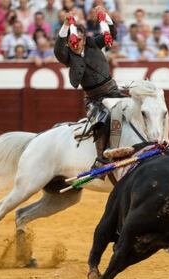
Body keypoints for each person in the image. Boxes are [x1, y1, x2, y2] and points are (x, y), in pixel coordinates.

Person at [54, 6, 120, 164]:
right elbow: (58, 49)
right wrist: (65, 25)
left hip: (113, 91)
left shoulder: (93, 44)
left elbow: (112, 33)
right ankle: (101, 158)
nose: (75, 44)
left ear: (84, 39)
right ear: (69, 43)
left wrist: (105, 17)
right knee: (100, 121)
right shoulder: (67, 56)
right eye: (72, 42)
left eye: (79, 40)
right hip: (94, 99)